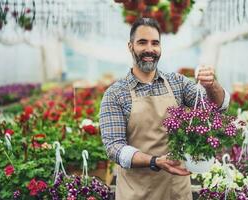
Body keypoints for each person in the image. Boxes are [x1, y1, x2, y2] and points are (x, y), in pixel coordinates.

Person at [99, 18, 230, 200]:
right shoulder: (115, 94)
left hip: (176, 189)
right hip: (137, 192)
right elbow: (114, 147)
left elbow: (217, 107)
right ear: (130, 46)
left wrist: (211, 84)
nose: (149, 49)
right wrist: (155, 161)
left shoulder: (178, 83)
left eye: (155, 43)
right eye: (142, 42)